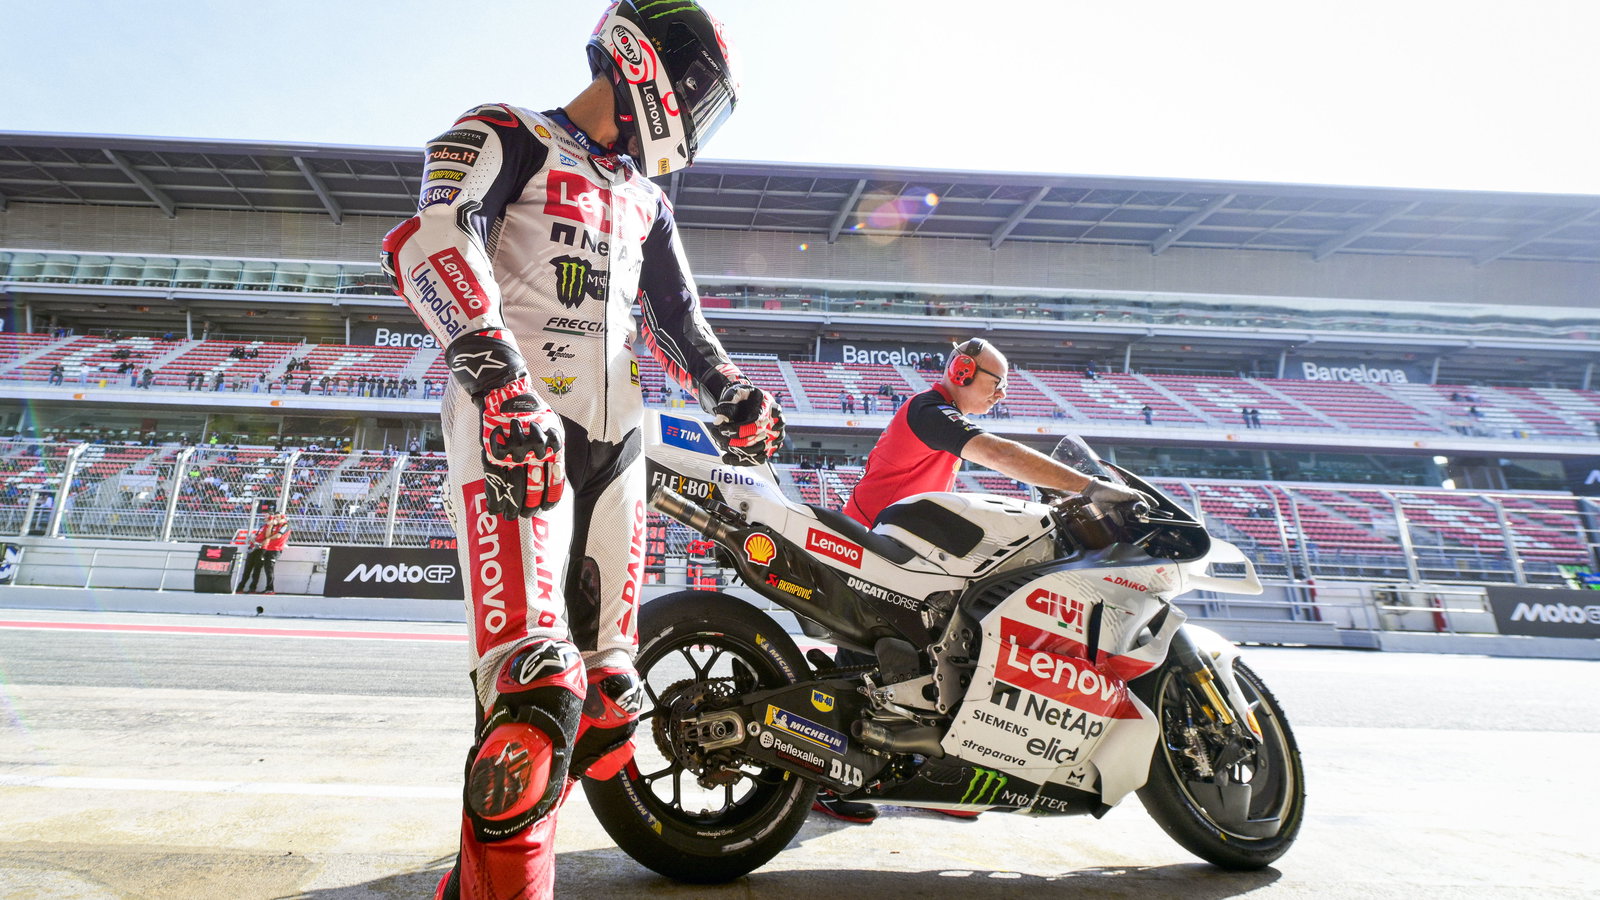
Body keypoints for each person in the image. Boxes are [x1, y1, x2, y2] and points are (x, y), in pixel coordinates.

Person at [378, 4, 777, 897]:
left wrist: (731, 393)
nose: (695, 121)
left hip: (619, 447)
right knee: (536, 691)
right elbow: (435, 237)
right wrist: (498, 378)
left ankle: (478, 883)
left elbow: (679, 320)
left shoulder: (648, 198)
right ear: (652, 57)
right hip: (515, 422)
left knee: (606, 708)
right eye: (701, 96)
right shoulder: (504, 130)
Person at [821, 337, 1151, 824]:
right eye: (997, 384)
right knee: (862, 667)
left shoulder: (939, 420)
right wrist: (1091, 486)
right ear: (961, 372)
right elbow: (998, 452)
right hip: (873, 550)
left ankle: (935, 774)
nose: (1001, 395)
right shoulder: (928, 410)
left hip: (906, 555)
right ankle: (832, 778)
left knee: (929, 664)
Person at [238, 512, 291, 594]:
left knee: (267, 569)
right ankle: (242, 588)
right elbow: (266, 535)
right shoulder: (268, 526)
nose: (275, 519)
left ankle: (268, 589)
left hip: (272, 549)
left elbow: (277, 536)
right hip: (265, 548)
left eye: (277, 517)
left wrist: (267, 539)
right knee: (255, 569)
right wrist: (269, 528)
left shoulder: (285, 525)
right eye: (275, 517)